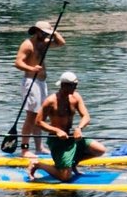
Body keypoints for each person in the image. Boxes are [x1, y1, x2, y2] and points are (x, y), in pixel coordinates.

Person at [27, 72, 105, 182]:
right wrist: (57, 130)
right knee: (65, 177)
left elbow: (86, 116)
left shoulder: (76, 97)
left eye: (76, 85)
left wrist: (79, 128)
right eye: (73, 85)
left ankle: (72, 163)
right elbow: (38, 122)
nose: (76, 88)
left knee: (100, 150)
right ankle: (37, 164)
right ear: (64, 85)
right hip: (57, 141)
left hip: (72, 137)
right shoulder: (51, 101)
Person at [14, 19, 66, 159]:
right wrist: (31, 68)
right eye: (43, 33)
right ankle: (25, 149)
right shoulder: (27, 45)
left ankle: (39, 147)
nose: (45, 35)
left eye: (47, 33)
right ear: (36, 31)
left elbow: (61, 43)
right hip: (31, 82)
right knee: (31, 116)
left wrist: (54, 32)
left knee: (40, 116)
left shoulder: (44, 43)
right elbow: (18, 62)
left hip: (42, 82)